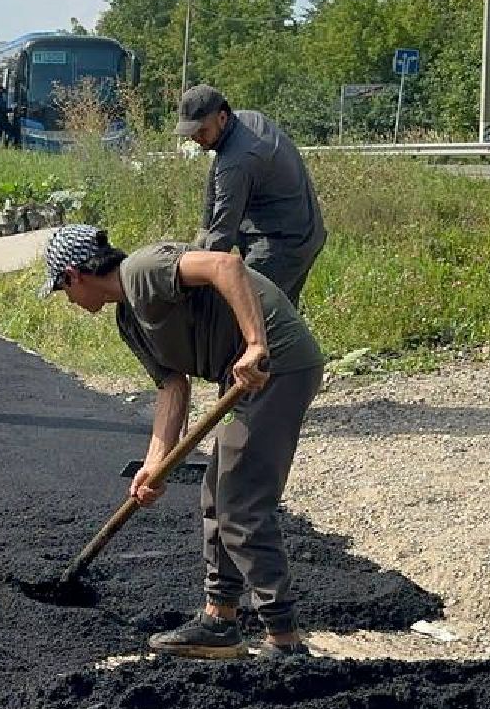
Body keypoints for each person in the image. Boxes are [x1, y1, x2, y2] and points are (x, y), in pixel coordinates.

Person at [41, 223, 324, 659]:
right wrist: (154, 466)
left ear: (74, 275)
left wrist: (254, 344)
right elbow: (173, 387)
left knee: (241, 504)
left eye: (63, 291)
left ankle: (284, 640)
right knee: (216, 497)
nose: (70, 302)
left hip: (277, 365)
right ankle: (219, 619)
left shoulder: (143, 270)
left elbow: (224, 264)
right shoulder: (130, 320)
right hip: (246, 380)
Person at [175, 85, 327, 306]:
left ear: (222, 117)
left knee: (241, 311)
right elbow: (214, 179)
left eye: (202, 130)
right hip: (304, 231)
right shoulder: (245, 121)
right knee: (278, 314)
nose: (197, 138)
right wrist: (203, 228)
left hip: (282, 243)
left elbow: (224, 230)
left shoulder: (239, 160)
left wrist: (194, 276)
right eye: (191, 133)